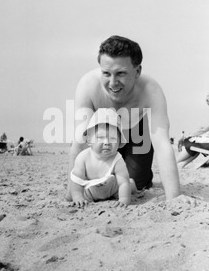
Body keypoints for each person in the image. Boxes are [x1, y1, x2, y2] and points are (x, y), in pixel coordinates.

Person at [68, 35, 180, 205]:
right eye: (106, 73)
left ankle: (142, 176)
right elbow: (80, 140)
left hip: (138, 132)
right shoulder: (88, 85)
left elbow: (162, 144)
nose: (113, 83)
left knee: (135, 182)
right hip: (105, 133)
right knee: (98, 180)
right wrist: (72, 192)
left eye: (120, 73)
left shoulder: (151, 91)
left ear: (137, 71)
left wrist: (175, 197)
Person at [70, 109, 137, 208]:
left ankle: (133, 184)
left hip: (113, 189)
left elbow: (123, 183)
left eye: (113, 138)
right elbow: (76, 181)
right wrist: (77, 198)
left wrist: (123, 199)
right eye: (100, 137)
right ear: (89, 140)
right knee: (81, 193)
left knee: (127, 184)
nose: (107, 142)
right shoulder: (83, 157)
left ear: (119, 142)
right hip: (91, 192)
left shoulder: (117, 159)